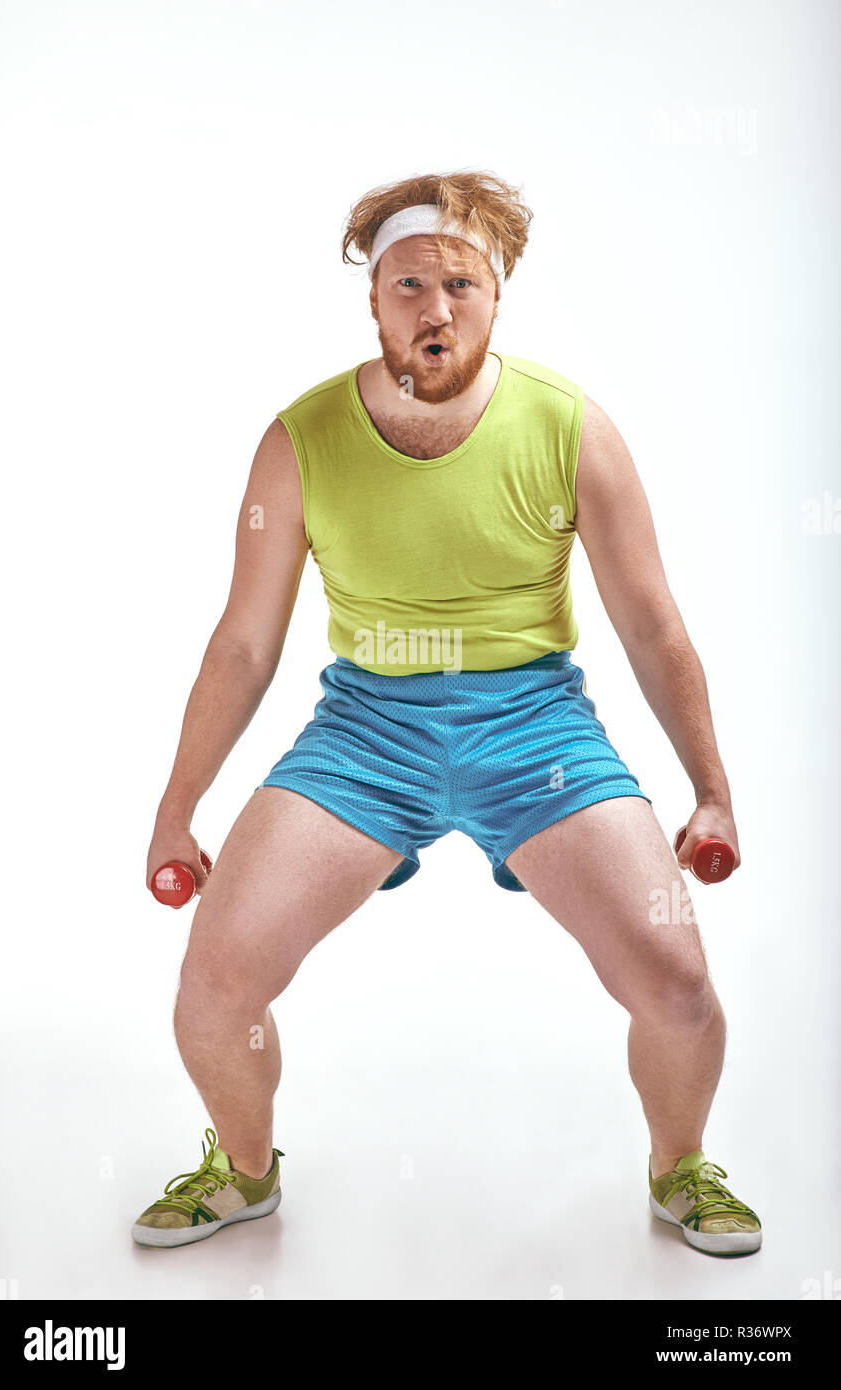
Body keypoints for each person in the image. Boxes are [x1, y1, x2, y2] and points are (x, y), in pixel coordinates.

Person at [133, 170, 761, 1256]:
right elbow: (244, 640)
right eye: (410, 283)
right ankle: (241, 1171)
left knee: (678, 981)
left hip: (536, 732)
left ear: (496, 294)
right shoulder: (299, 440)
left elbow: (655, 626)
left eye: (459, 283)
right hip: (366, 734)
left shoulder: (572, 429)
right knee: (212, 977)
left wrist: (712, 792)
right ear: (373, 300)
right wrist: (174, 807)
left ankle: (680, 1168)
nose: (435, 309)